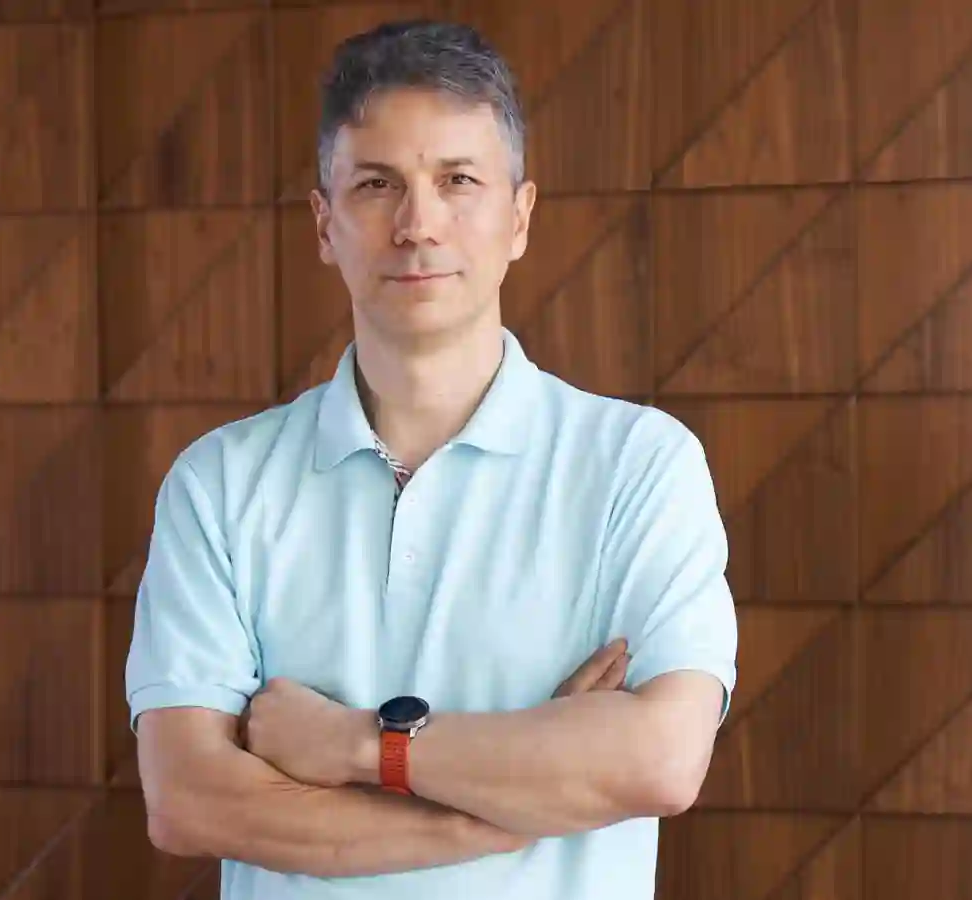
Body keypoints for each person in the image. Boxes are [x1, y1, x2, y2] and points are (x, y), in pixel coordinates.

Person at [124, 18, 738, 899]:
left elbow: (662, 761)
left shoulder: (639, 466)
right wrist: (497, 812)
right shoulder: (217, 484)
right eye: (377, 184)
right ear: (324, 223)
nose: (418, 224)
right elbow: (189, 802)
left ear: (519, 217)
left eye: (458, 180)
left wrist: (354, 746)